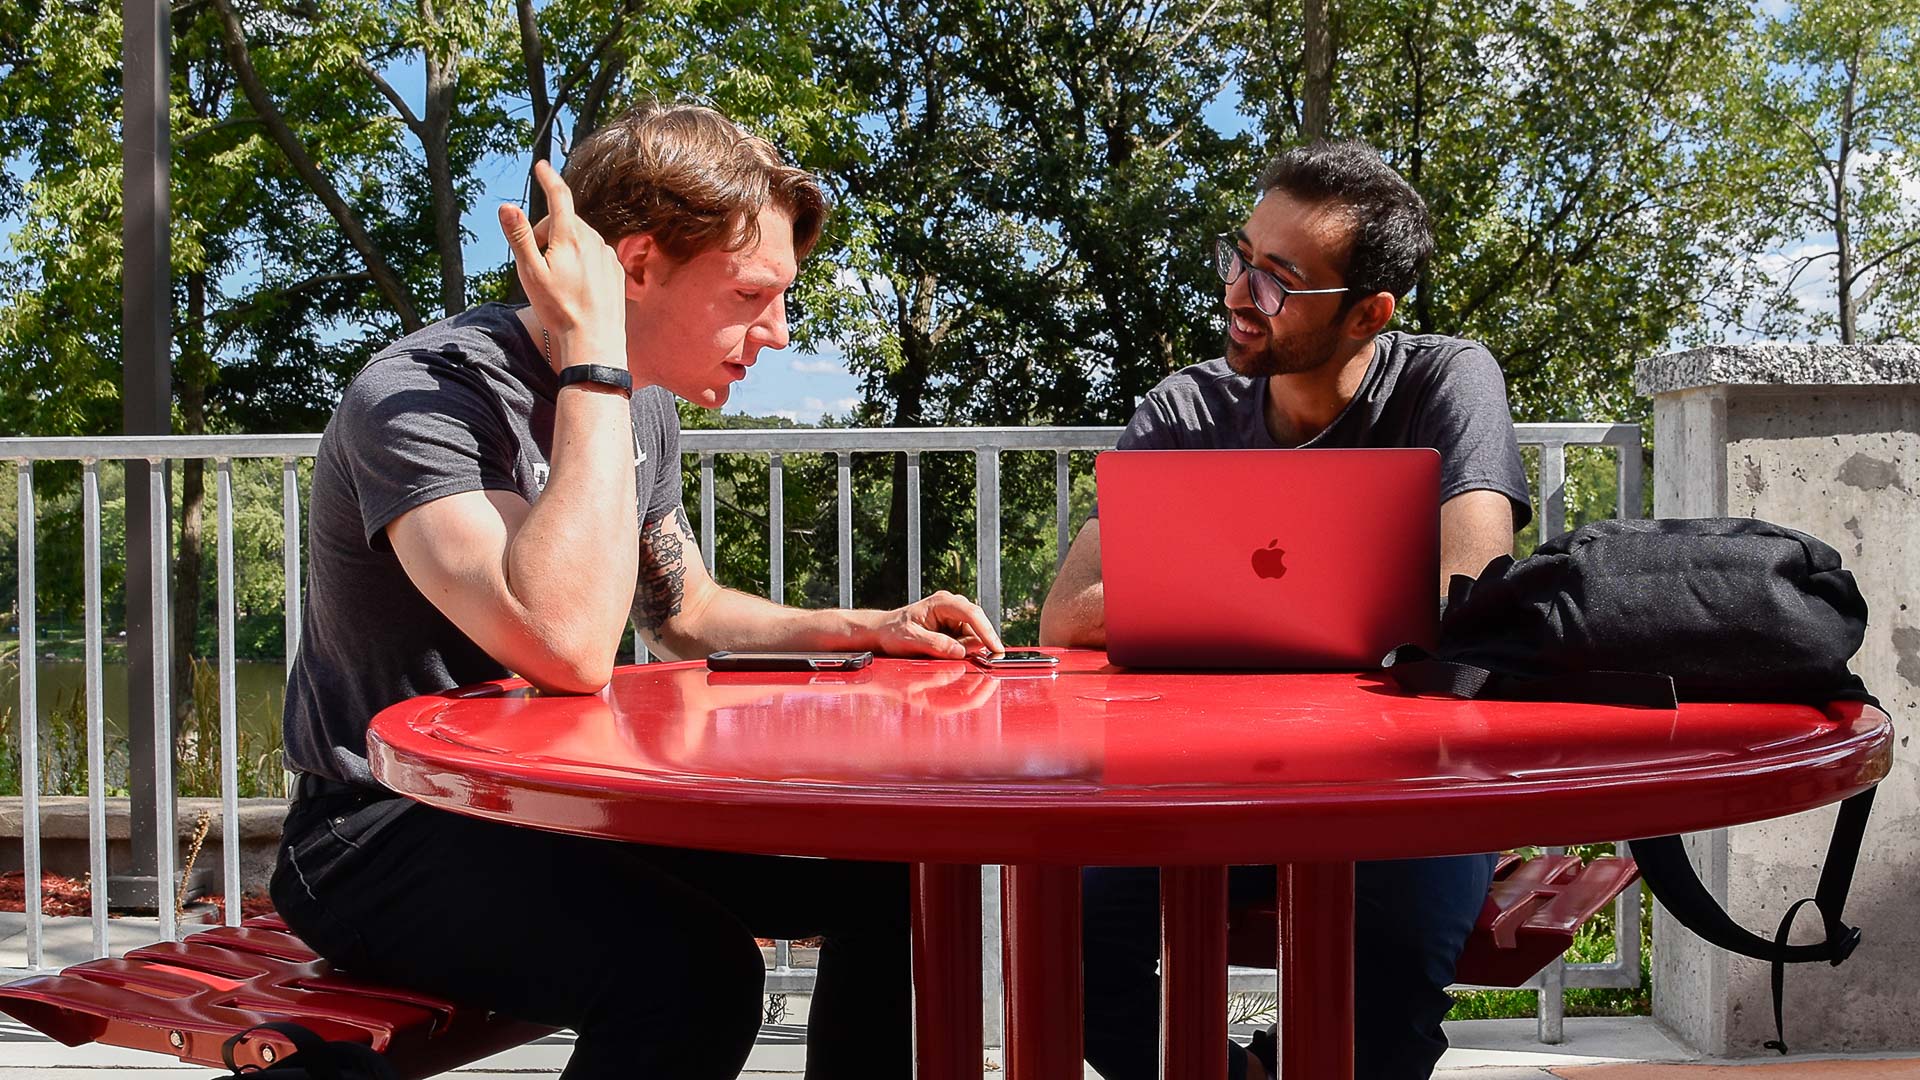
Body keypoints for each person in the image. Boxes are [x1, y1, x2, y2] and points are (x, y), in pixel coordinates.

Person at [269, 101, 1005, 1080]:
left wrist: (871, 625)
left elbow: (681, 611)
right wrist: (597, 366)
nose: (779, 333)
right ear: (637, 264)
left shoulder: (632, 403)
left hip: (556, 816)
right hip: (381, 835)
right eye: (752, 294)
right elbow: (566, 648)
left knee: (897, 885)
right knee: (689, 976)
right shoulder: (421, 397)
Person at [1039, 139, 1533, 1080]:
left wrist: (1203, 597)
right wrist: (1342, 601)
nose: (1236, 293)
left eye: (1277, 281)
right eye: (1240, 257)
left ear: (1367, 315)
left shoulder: (1444, 381)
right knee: (1069, 965)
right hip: (1191, 783)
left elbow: (1468, 588)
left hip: (1400, 785)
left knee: (1383, 1028)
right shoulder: (1186, 410)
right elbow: (1069, 614)